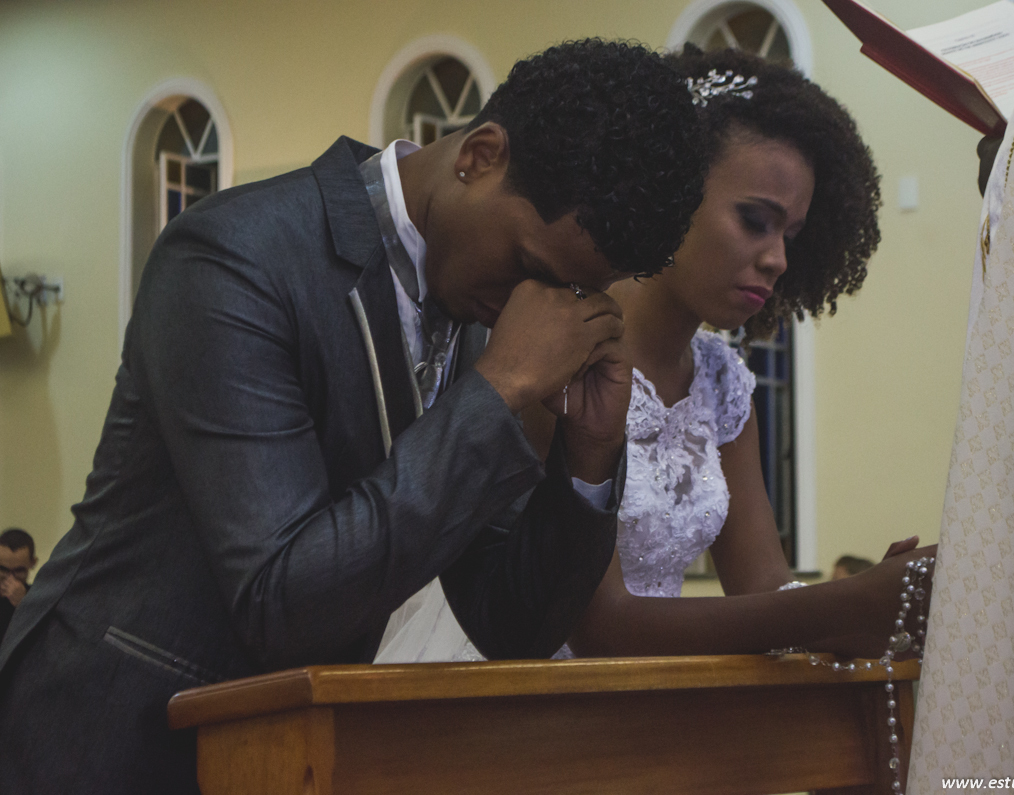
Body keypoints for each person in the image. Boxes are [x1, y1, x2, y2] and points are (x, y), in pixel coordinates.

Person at [0, 39, 708, 794]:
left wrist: (589, 457)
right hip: (107, 741)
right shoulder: (235, 257)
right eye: (532, 268)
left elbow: (510, 622)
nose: (535, 309)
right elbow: (283, 596)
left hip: (284, 754)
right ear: (480, 155)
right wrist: (497, 389)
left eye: (568, 294)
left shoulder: (478, 303)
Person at [375, 47, 936, 665]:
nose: (776, 256)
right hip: (517, 693)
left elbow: (765, 590)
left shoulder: (722, 383)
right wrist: (849, 605)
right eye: (755, 220)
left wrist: (863, 606)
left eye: (790, 235)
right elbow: (600, 626)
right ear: (674, 198)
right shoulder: (553, 348)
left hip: (653, 705)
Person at [0, 528, 36, 640]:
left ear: (32, 563)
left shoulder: (39, 598)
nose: (10, 578)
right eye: (3, 569)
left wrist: (24, 605)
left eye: (19, 571)